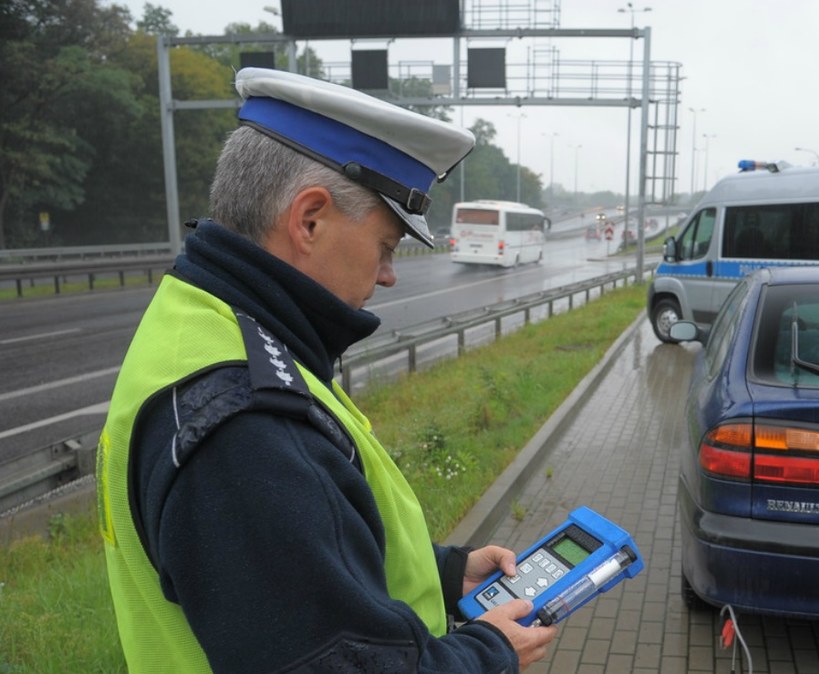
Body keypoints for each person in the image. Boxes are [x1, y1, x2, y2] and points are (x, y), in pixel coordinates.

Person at [96, 68, 558, 672]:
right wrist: (488, 653)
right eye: (386, 246)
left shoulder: (205, 321)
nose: (388, 274)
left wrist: (443, 573)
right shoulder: (248, 427)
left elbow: (289, 564)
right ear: (309, 219)